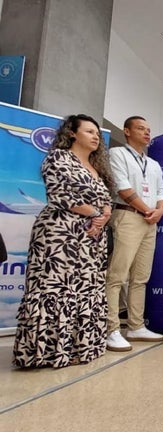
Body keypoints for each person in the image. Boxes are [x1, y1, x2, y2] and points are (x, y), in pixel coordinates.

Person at [13, 114, 113, 368]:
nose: (95, 137)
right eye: (89, 131)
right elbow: (60, 195)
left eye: (97, 133)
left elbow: (105, 200)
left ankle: (80, 347)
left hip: (91, 239)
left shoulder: (96, 166)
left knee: (86, 290)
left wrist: (104, 215)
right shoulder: (59, 158)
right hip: (60, 235)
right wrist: (96, 214)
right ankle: (48, 352)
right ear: (71, 133)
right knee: (56, 289)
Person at [105, 116, 163, 352]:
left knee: (141, 277)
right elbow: (122, 186)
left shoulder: (153, 164)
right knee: (117, 275)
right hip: (128, 216)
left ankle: (136, 326)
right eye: (141, 128)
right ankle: (111, 329)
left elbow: (162, 190)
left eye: (148, 129)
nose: (146, 133)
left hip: (151, 221)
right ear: (127, 131)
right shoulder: (117, 154)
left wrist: (159, 210)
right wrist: (146, 210)